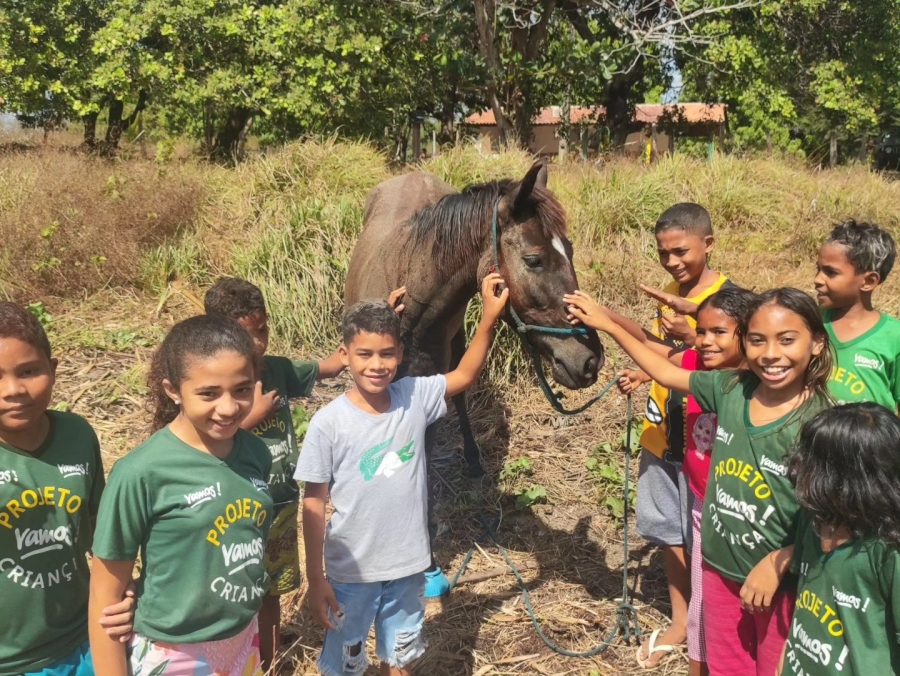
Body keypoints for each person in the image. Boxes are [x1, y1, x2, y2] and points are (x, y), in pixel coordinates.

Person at [565, 287, 832, 676]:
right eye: (757, 340)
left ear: (817, 343)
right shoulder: (730, 389)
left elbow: (837, 521)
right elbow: (666, 371)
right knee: (726, 666)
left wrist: (781, 559)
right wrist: (607, 325)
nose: (771, 354)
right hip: (720, 571)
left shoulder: (825, 424)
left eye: (787, 340)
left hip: (785, 586)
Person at [296, 273, 509, 676]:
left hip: (409, 566)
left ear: (400, 353)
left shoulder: (414, 395)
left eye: (387, 354)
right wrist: (315, 577)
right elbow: (313, 500)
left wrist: (487, 319)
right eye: (364, 354)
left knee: (401, 658)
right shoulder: (329, 423)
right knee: (345, 664)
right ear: (345, 354)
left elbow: (464, 376)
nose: (377, 365)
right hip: (350, 572)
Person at [203, 277, 406, 671]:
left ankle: (268, 661)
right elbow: (200, 445)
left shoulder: (277, 370)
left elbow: (333, 364)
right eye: (247, 335)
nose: (258, 343)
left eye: (262, 330)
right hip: (233, 510)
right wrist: (251, 417)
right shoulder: (216, 387)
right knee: (234, 590)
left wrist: (378, 321)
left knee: (272, 591)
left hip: (278, 506)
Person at [89, 315, 275, 676]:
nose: (228, 407)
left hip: (242, 639)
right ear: (173, 390)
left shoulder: (256, 454)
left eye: (242, 389)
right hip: (175, 653)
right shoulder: (141, 472)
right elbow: (105, 596)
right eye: (208, 393)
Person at [601, 203, 732, 668]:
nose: (673, 262)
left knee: (706, 534)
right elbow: (663, 350)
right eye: (663, 253)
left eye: (681, 251)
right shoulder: (672, 294)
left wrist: (694, 330)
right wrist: (613, 323)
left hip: (707, 440)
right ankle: (682, 619)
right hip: (661, 432)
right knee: (669, 531)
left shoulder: (730, 299)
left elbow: (730, 356)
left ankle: (710, 622)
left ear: (708, 245)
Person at [0, 301, 136, 676]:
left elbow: (100, 535)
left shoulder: (77, 435)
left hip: (84, 640)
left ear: (53, 370)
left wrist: (125, 592)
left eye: (29, 371)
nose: (13, 390)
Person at [779, 403, 900, 676]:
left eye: (812, 462)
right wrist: (791, 650)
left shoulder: (887, 552)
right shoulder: (813, 520)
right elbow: (806, 601)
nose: (798, 466)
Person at [814, 220, 900, 410]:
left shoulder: (895, 338)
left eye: (831, 272)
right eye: (818, 269)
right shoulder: (809, 322)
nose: (817, 279)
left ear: (868, 281)